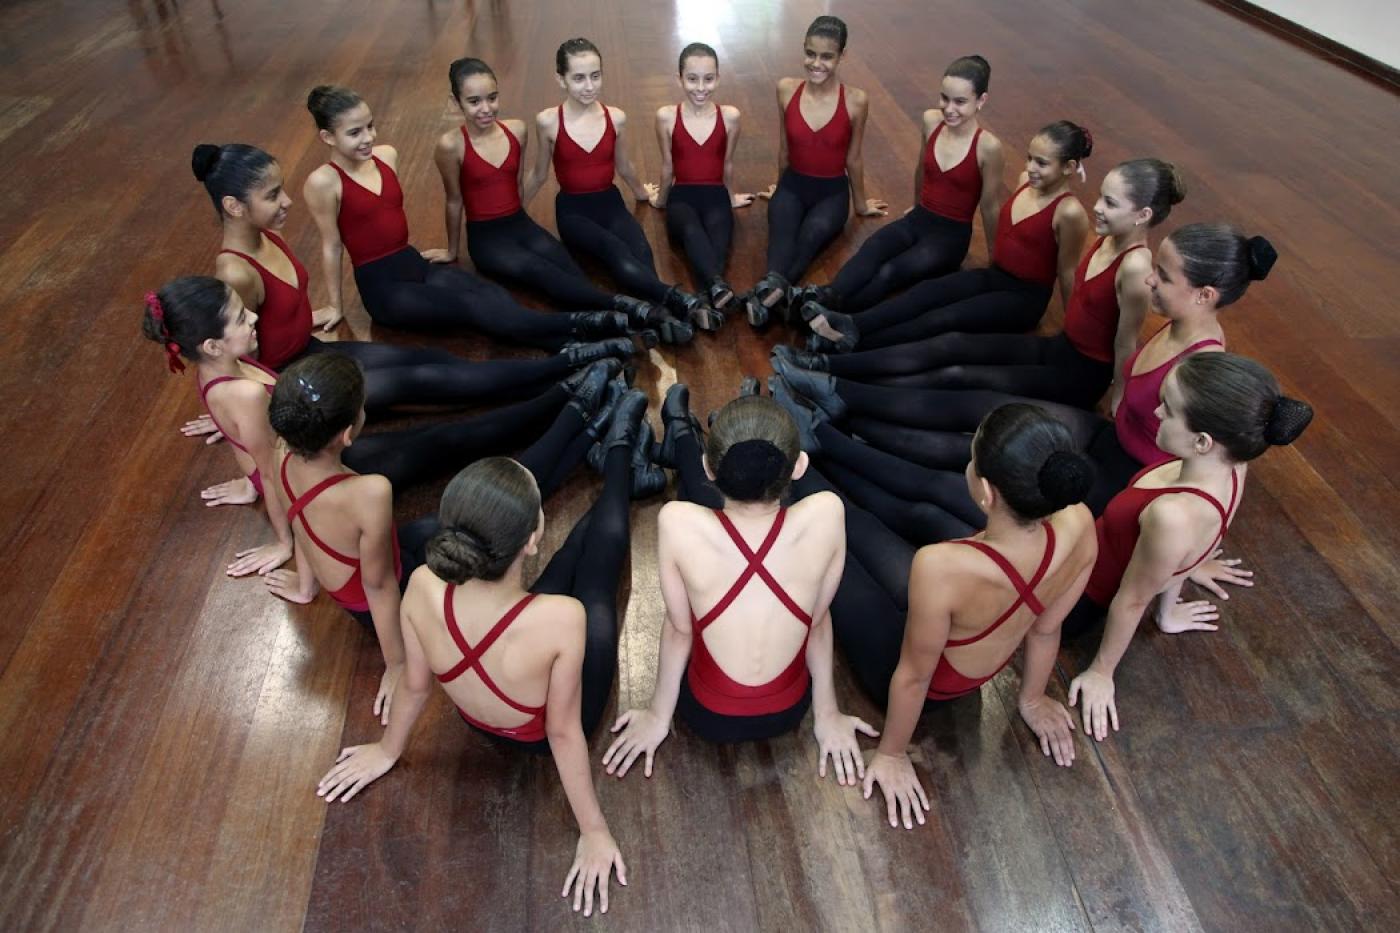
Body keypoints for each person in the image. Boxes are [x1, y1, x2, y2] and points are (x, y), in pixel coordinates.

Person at [316, 391, 654, 917]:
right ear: (532, 537)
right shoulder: (561, 620)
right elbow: (564, 733)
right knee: (597, 566)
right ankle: (621, 462)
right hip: (541, 730)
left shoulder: (424, 584)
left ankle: (617, 453)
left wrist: (386, 751)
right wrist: (592, 830)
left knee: (565, 574)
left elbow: (414, 685)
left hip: (487, 714)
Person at [773, 224, 1278, 514]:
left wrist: (1196, 555)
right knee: (984, 413)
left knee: (964, 473)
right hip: (1107, 437)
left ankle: (830, 435)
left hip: (1122, 479)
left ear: (1205, 294)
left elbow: (1230, 461)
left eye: (1163, 277)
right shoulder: (1179, 323)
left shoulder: (1209, 365)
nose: (1148, 280)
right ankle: (840, 397)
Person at [142, 276, 621, 577]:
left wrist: (246, 470)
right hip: (317, 481)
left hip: (321, 459)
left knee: (447, 438)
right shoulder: (238, 392)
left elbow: (251, 449)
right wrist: (286, 542)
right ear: (209, 345)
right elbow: (269, 471)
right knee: (453, 448)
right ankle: (576, 398)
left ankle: (572, 391)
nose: (252, 318)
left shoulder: (225, 371)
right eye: (239, 317)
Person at [263, 353, 615, 722]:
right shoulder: (368, 493)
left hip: (387, 558)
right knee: (499, 505)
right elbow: (380, 587)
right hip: (390, 597)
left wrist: (307, 585)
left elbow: (297, 519)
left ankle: (579, 412)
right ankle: (581, 416)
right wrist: (396, 662)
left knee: (476, 496)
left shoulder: (283, 450)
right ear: (348, 433)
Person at [794, 405, 1097, 828]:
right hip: (958, 646)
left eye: (971, 461)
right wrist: (1032, 698)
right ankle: (802, 463)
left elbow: (913, 677)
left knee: (832, 549)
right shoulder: (1080, 523)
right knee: (858, 524)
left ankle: (791, 469)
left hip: (913, 679)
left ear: (986, 493)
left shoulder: (943, 567)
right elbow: (1046, 630)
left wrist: (893, 753)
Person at [602, 390, 876, 785]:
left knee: (697, 528)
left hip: (707, 717)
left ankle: (679, 429)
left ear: (709, 469)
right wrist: (827, 713)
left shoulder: (676, 521)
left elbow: (681, 631)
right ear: (798, 467)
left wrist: (658, 716)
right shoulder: (828, 512)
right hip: (790, 712)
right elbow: (817, 622)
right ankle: (683, 427)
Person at [778, 158, 1183, 408]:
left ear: (1143, 215)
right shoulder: (1108, 242)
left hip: (1079, 376)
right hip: (1058, 348)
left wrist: (1118, 400)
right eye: (1101, 196)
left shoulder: (1135, 267)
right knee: (950, 345)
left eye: (1111, 203)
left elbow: (1125, 344)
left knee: (958, 376)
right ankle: (834, 359)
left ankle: (838, 383)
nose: (1097, 206)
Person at [1064, 352, 1312, 740]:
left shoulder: (1174, 518)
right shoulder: (1232, 466)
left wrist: (1101, 672)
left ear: (1202, 441)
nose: (1157, 412)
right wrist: (1181, 580)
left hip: (1073, 595)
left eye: (1170, 408)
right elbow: (1194, 542)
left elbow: (1131, 600)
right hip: (1088, 547)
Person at [301, 85, 635, 345]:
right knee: (471, 309)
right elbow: (332, 245)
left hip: (413, 263)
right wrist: (336, 305)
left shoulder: (386, 156)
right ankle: (599, 324)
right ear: (328, 137)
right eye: (355, 132)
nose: (369, 138)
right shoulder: (323, 182)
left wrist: (449, 250)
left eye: (370, 127)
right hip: (383, 288)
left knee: (491, 295)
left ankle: (578, 340)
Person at [801, 120, 1091, 352]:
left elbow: (1067, 274)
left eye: (1041, 163)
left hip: (1024, 298)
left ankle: (857, 341)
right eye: (1029, 158)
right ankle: (853, 322)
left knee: (945, 318)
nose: (1029, 168)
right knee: (926, 293)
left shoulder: (1070, 212)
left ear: (1068, 167)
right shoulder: (1025, 182)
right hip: (995, 277)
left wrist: (1071, 333)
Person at [435, 57, 662, 324]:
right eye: (474, 102)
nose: (486, 108)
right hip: (487, 239)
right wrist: (451, 250)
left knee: (570, 269)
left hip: (520, 224)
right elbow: (454, 200)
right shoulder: (450, 146)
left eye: (492, 98)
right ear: (455, 102)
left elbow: (517, 184)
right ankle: (627, 312)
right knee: (541, 272)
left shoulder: (517, 130)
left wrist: (520, 213)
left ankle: (634, 316)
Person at [522, 38, 701, 341]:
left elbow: (624, 165)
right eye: (578, 78)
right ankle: (672, 302)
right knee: (613, 250)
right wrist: (516, 209)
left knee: (642, 248)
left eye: (595, 75)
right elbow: (539, 173)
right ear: (560, 79)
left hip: (609, 201)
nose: (589, 86)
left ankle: (655, 318)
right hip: (573, 211)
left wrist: (645, 195)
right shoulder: (549, 121)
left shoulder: (614, 117)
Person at [798, 55, 1004, 314]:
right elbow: (921, 169)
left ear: (981, 101)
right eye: (944, 98)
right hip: (919, 218)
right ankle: (827, 295)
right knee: (872, 248)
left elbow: (990, 207)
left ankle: (829, 310)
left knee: (890, 271)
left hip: (949, 238)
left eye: (960, 102)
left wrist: (995, 260)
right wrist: (918, 205)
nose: (949, 108)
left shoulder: (988, 147)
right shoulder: (932, 122)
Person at [743, 15, 887, 327]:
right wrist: (779, 187)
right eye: (810, 53)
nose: (816, 63)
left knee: (809, 239)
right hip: (793, 185)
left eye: (826, 56)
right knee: (780, 238)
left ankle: (764, 296)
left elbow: (854, 158)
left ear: (841, 57)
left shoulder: (856, 100)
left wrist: (860, 204)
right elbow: (784, 148)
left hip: (832, 194)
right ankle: (773, 298)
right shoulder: (785, 89)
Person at [646, 42, 756, 322]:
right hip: (681, 198)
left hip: (716, 194)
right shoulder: (667, 116)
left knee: (720, 240)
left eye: (708, 79)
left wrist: (730, 198)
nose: (700, 87)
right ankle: (719, 290)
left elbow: (727, 163)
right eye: (692, 79)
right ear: (679, 78)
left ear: (718, 77)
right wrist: (659, 200)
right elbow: (668, 167)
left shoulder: (730, 116)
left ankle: (705, 301)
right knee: (692, 231)